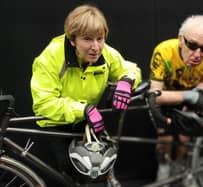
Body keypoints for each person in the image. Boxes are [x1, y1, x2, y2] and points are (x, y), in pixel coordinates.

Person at [30, 4, 141, 186]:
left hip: (86, 122)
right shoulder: (50, 57)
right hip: (57, 124)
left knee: (94, 177)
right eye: (88, 39)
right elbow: (44, 103)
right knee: (67, 178)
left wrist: (126, 81)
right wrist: (84, 108)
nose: (96, 47)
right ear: (72, 40)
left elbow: (130, 68)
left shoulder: (104, 53)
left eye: (100, 39)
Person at [148, 15, 203, 186]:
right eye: (192, 45)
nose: (198, 54)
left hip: (190, 96)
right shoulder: (164, 51)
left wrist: (196, 94)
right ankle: (164, 171)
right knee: (164, 142)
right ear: (181, 39)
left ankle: (181, 170)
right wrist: (188, 96)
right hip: (166, 99)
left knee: (184, 141)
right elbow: (155, 94)